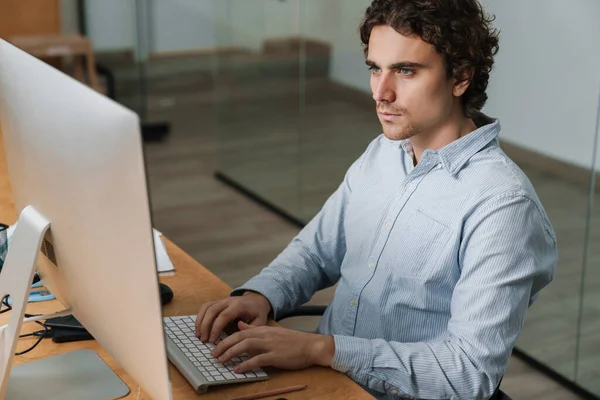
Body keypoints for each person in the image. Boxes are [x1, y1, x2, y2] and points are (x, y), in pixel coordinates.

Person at [195, 0, 558, 398]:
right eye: (375, 68)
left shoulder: (502, 206)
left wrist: (320, 348)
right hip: (324, 381)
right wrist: (261, 294)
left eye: (405, 71)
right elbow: (317, 251)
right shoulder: (384, 151)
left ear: (461, 78)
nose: (381, 93)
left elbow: (468, 373)